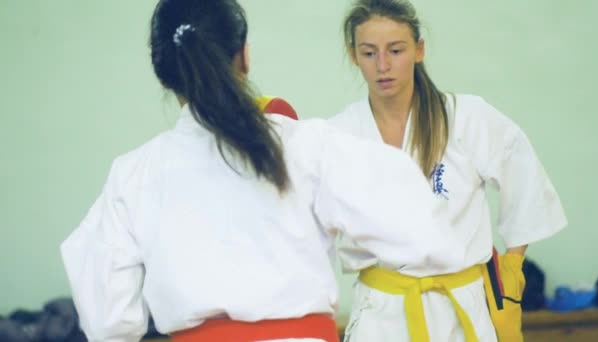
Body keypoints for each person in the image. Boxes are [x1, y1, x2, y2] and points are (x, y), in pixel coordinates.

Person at [60, 0, 466, 341]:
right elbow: (421, 230)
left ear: (164, 74)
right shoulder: (306, 144)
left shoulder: (133, 174)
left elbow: (107, 321)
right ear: (245, 57)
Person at [329, 0, 568, 341]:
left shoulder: (466, 118)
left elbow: (524, 175)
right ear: (354, 56)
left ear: (419, 50)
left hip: (462, 306)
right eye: (369, 53)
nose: (383, 65)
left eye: (395, 50)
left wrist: (512, 267)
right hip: (382, 312)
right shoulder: (339, 135)